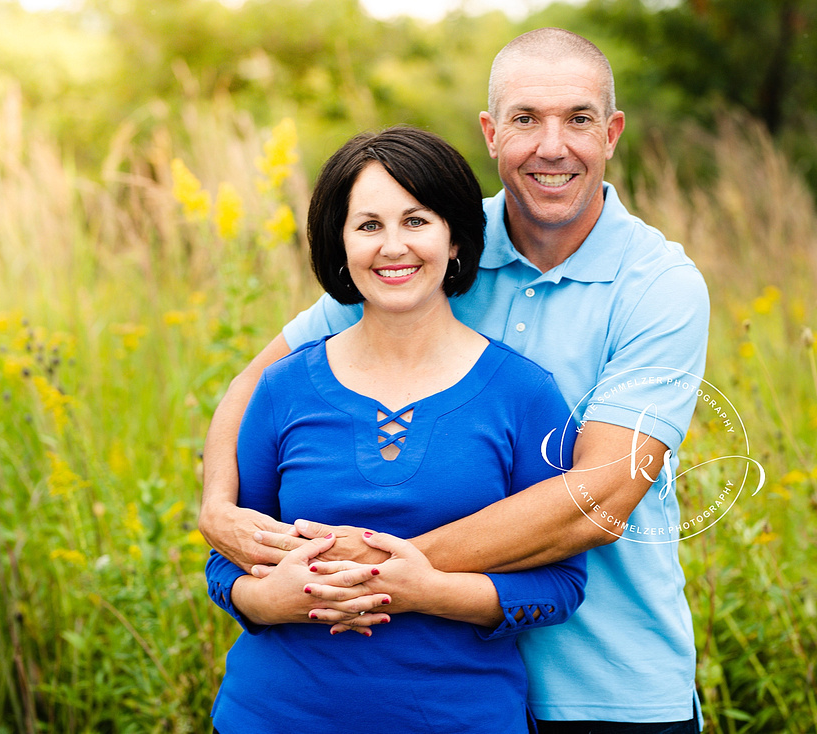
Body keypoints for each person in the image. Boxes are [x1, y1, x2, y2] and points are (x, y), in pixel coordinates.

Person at [201, 28, 710, 733]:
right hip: (451, 685)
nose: (553, 146)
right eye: (526, 119)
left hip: (607, 679)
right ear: (491, 133)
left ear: (613, 133)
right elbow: (256, 383)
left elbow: (602, 494)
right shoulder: (427, 241)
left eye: (579, 119)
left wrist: (366, 574)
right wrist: (218, 510)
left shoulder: (658, 286)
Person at [204, 126, 587, 733]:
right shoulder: (283, 388)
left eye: (416, 221)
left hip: (461, 718)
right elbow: (227, 559)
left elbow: (561, 586)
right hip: (273, 715)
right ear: (340, 242)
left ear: (456, 238)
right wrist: (267, 600)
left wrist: (427, 590)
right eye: (369, 225)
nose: (393, 247)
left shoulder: (526, 395)